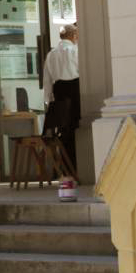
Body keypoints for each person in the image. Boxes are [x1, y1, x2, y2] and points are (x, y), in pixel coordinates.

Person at [41, 23, 81, 172]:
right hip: (75, 93)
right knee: (75, 128)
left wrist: (48, 102)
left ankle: (65, 167)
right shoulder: (75, 51)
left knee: (63, 130)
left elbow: (47, 80)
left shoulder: (51, 54)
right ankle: (75, 166)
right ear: (74, 36)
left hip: (59, 94)